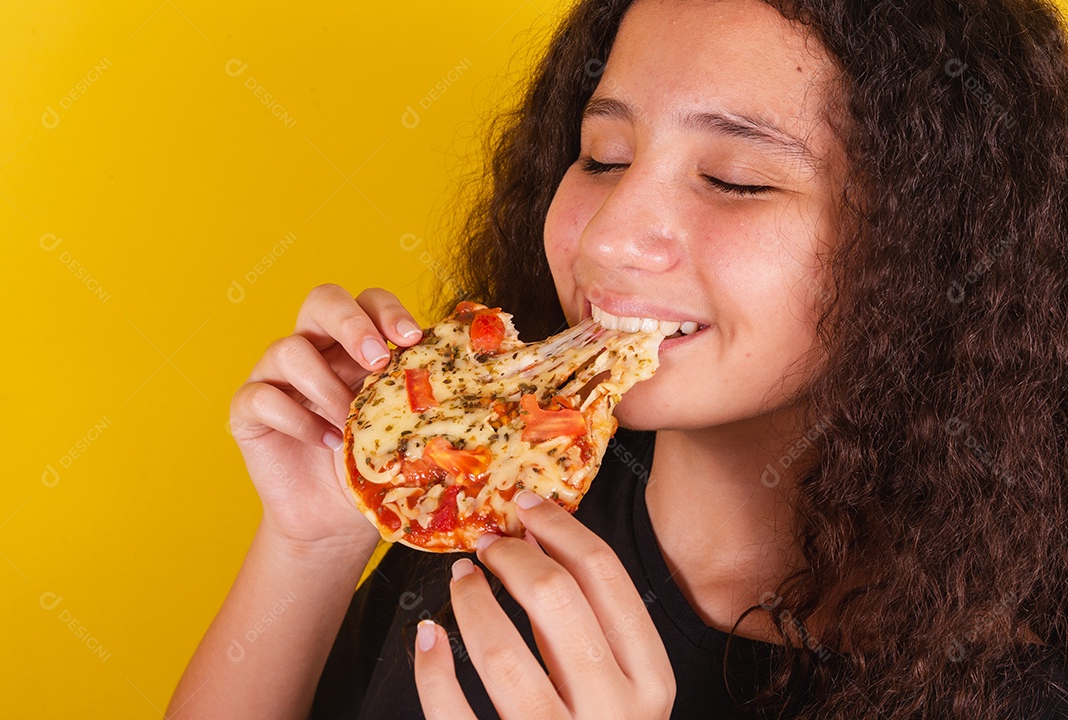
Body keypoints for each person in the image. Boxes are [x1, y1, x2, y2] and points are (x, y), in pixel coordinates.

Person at [167, 0, 1068, 717]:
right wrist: (310, 544)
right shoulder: (484, 492)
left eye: (735, 180)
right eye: (603, 157)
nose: (608, 235)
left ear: (933, 245)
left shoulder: (1030, 679)